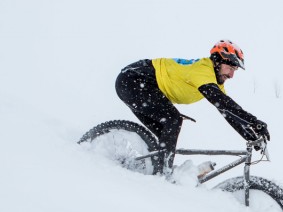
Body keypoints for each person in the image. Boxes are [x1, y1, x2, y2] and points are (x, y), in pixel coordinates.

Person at [115, 40, 269, 174]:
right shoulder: (202, 69)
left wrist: (250, 135)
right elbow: (221, 102)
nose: (231, 75)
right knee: (172, 120)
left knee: (166, 135)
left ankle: (156, 171)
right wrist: (254, 122)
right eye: (230, 68)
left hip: (139, 85)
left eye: (234, 71)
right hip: (133, 80)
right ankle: (163, 174)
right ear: (217, 61)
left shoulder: (213, 80)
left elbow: (227, 111)